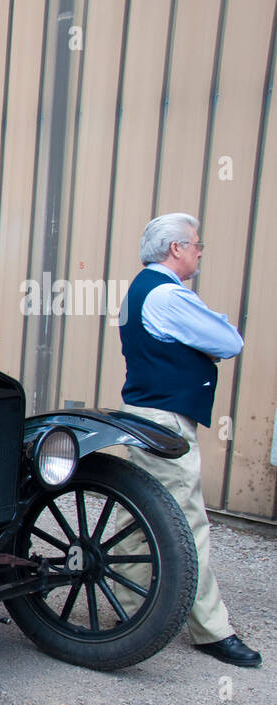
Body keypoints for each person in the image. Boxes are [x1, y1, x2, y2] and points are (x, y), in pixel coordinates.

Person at [118, 212, 259, 667]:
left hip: (142, 413)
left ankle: (128, 604)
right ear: (176, 249)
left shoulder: (140, 289)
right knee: (187, 522)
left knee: (142, 515)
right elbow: (228, 341)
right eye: (196, 244)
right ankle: (212, 630)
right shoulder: (168, 296)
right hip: (166, 421)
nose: (200, 251)